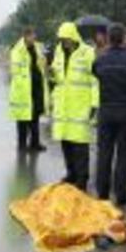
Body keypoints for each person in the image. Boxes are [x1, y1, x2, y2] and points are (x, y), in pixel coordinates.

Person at [93, 24, 126, 205]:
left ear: (108, 39)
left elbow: (95, 77)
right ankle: (120, 194)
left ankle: (102, 192)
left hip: (106, 111)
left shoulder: (100, 60)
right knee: (124, 154)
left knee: (104, 152)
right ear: (124, 39)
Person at [51, 22, 99, 190]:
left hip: (80, 106)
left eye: (66, 39)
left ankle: (82, 178)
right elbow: (57, 77)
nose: (64, 42)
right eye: (62, 39)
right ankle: (71, 173)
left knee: (80, 145)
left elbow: (95, 80)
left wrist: (94, 104)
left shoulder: (87, 53)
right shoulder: (58, 51)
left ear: (73, 37)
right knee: (65, 142)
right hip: (64, 106)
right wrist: (50, 74)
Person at [9, 27, 48, 152]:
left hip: (36, 86)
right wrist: (24, 81)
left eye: (34, 36)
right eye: (32, 36)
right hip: (23, 89)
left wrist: (44, 63)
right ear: (25, 36)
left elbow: (41, 63)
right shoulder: (17, 50)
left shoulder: (37, 48)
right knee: (23, 117)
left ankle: (35, 143)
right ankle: (22, 144)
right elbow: (15, 70)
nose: (34, 38)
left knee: (35, 115)